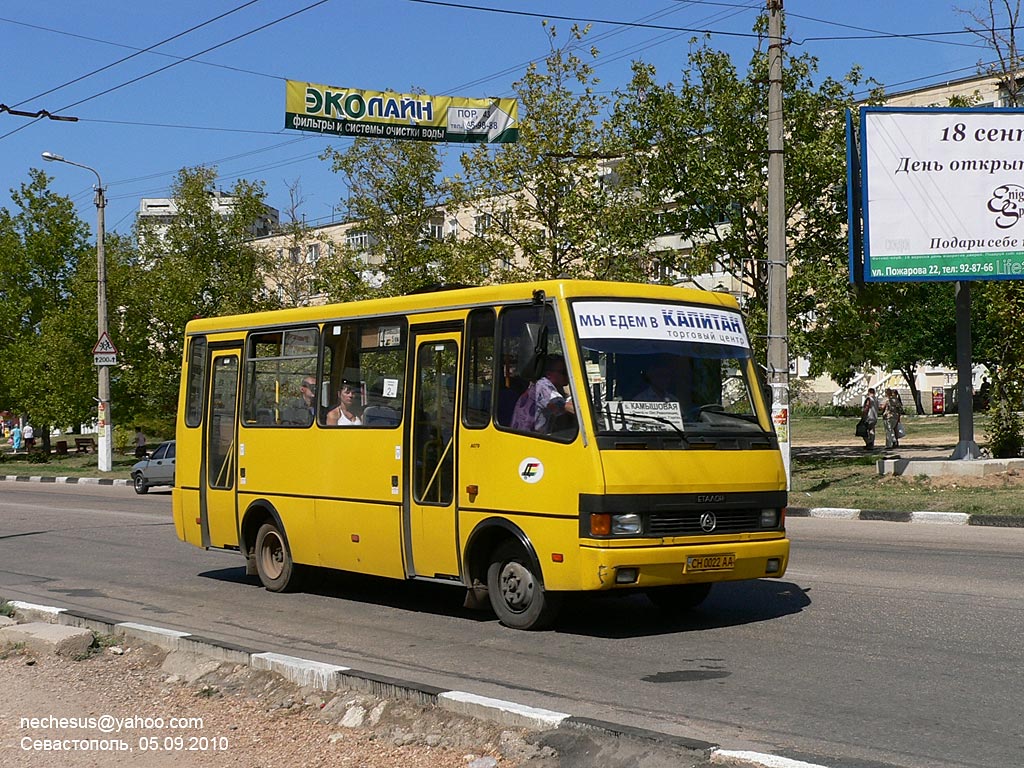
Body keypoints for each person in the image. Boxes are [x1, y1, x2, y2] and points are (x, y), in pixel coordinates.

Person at [511, 354, 575, 434]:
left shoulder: (553, 387)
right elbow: (563, 406)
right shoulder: (543, 386)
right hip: (528, 439)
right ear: (548, 374)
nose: (568, 376)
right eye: (564, 372)